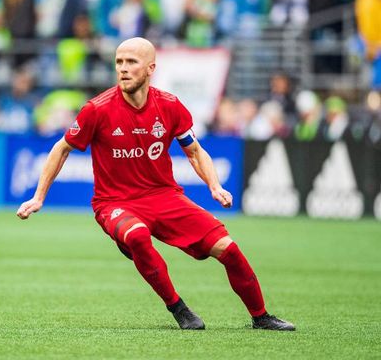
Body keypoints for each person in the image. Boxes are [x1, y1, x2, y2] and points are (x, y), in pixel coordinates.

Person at [17, 37, 295, 331]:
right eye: (119, 62)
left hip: (165, 198)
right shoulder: (96, 109)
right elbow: (61, 148)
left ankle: (261, 317)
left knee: (229, 250)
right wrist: (39, 197)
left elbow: (195, 151)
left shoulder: (170, 106)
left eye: (131, 62)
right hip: (114, 203)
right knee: (137, 236)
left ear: (150, 68)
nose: (123, 69)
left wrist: (214, 186)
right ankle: (179, 309)